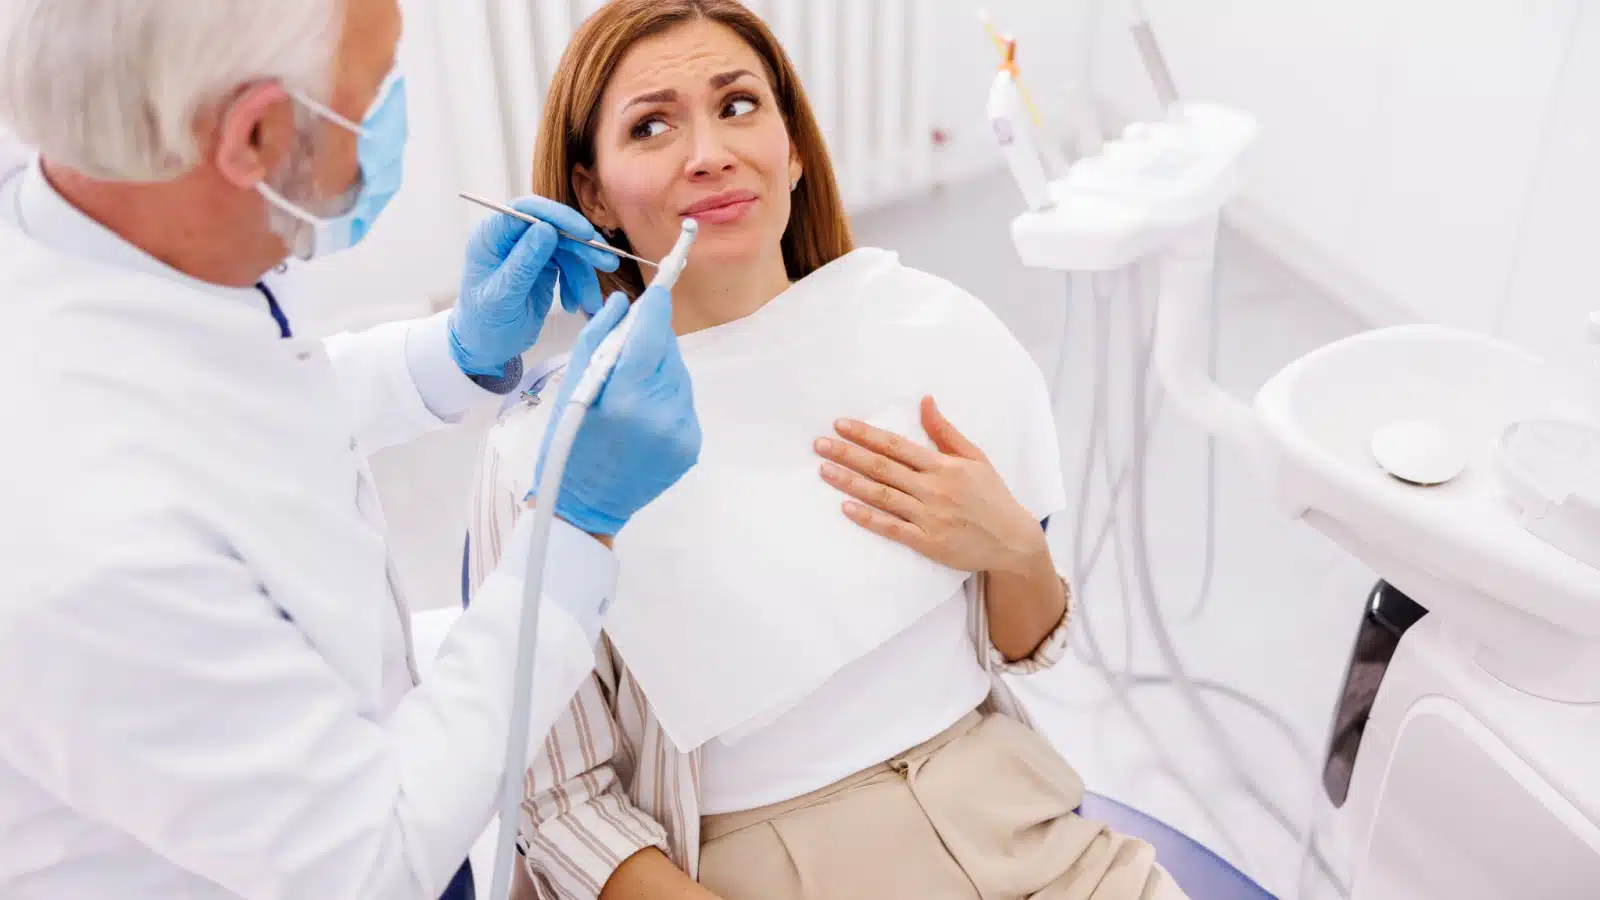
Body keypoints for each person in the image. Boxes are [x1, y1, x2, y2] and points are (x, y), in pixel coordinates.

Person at [468, 2, 1187, 899]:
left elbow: (1023, 648)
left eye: (738, 106)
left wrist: (1017, 550)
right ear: (592, 194)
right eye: (652, 125)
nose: (709, 153)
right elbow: (560, 804)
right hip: (754, 867)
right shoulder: (550, 446)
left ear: (795, 147)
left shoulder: (924, 328)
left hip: (1011, 815)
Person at [0, 2, 700, 899]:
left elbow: (236, 399)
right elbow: (373, 859)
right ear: (253, 136)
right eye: (374, 96)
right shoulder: (89, 547)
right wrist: (573, 525)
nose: (392, 116)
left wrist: (449, 356)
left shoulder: (111, 213)